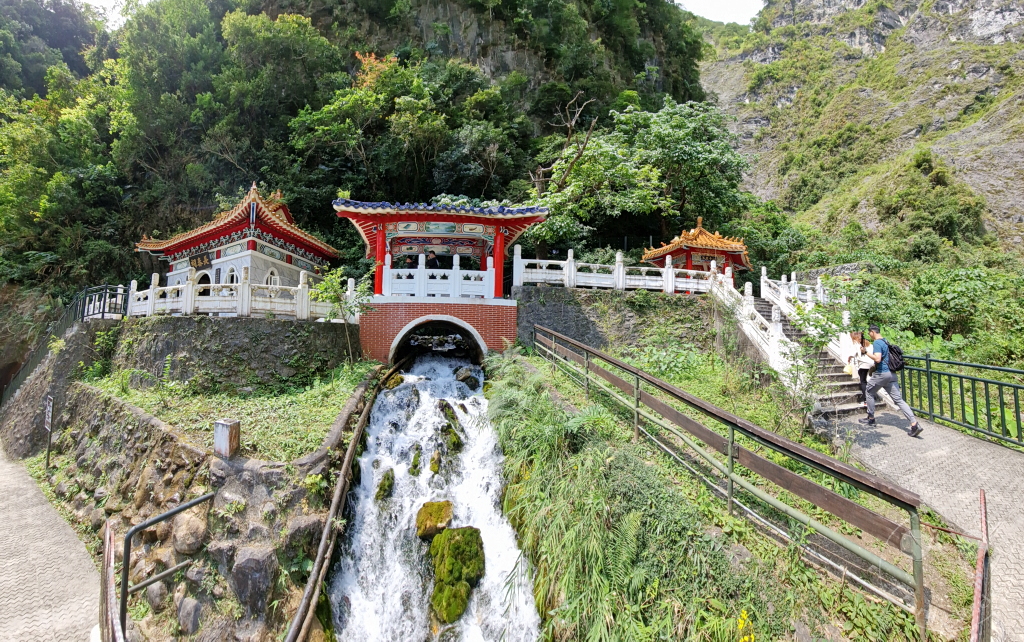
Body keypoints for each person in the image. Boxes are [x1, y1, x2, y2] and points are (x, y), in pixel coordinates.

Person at [861, 325, 922, 437]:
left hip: (882, 374)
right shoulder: (885, 341)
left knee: (869, 392)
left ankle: (871, 418)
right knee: (898, 400)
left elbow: (878, 358)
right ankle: (914, 424)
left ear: (873, 332)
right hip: (891, 374)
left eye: (869, 333)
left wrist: (865, 352)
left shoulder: (877, 343)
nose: (869, 335)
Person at [847, 331, 874, 407]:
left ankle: (865, 400)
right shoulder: (867, 342)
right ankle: (870, 397)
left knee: (863, 381)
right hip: (871, 363)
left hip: (863, 364)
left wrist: (849, 358)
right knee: (868, 380)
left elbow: (852, 353)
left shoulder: (856, 343)